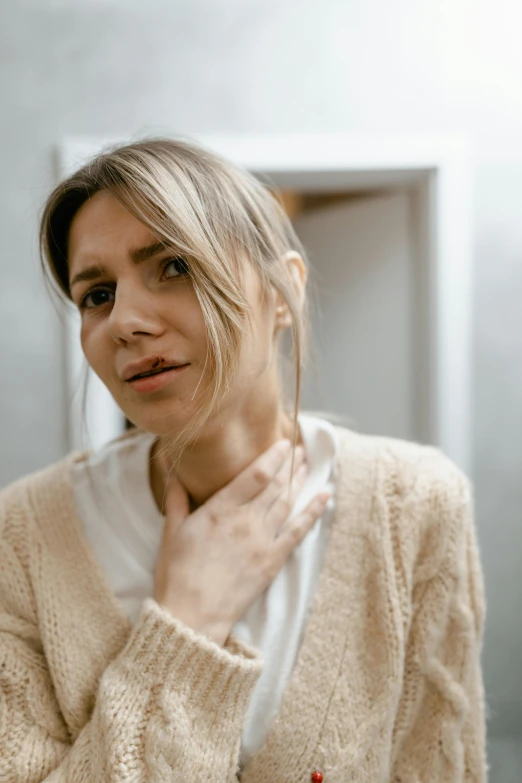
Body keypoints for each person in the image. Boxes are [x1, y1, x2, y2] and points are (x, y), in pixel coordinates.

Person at [0, 138, 486, 782]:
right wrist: (185, 625)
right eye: (97, 294)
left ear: (283, 293)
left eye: (173, 265)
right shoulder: (25, 534)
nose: (126, 320)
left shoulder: (415, 503)